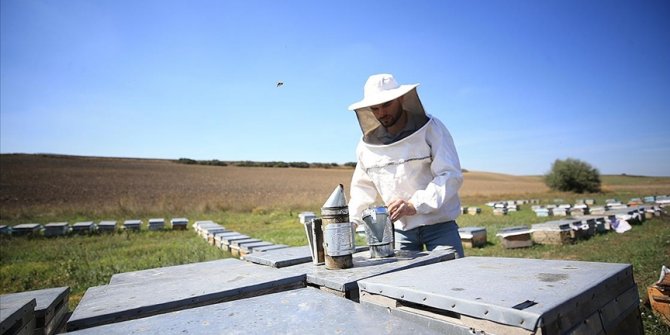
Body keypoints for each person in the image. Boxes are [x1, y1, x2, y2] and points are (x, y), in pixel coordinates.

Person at [347, 73, 465, 257]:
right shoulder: (365, 146)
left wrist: (414, 204)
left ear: (401, 98)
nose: (381, 113)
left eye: (387, 105)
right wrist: (352, 221)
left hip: (439, 226)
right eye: (375, 108)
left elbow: (450, 175)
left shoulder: (432, 128)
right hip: (400, 230)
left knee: (453, 280)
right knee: (404, 282)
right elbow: (362, 188)